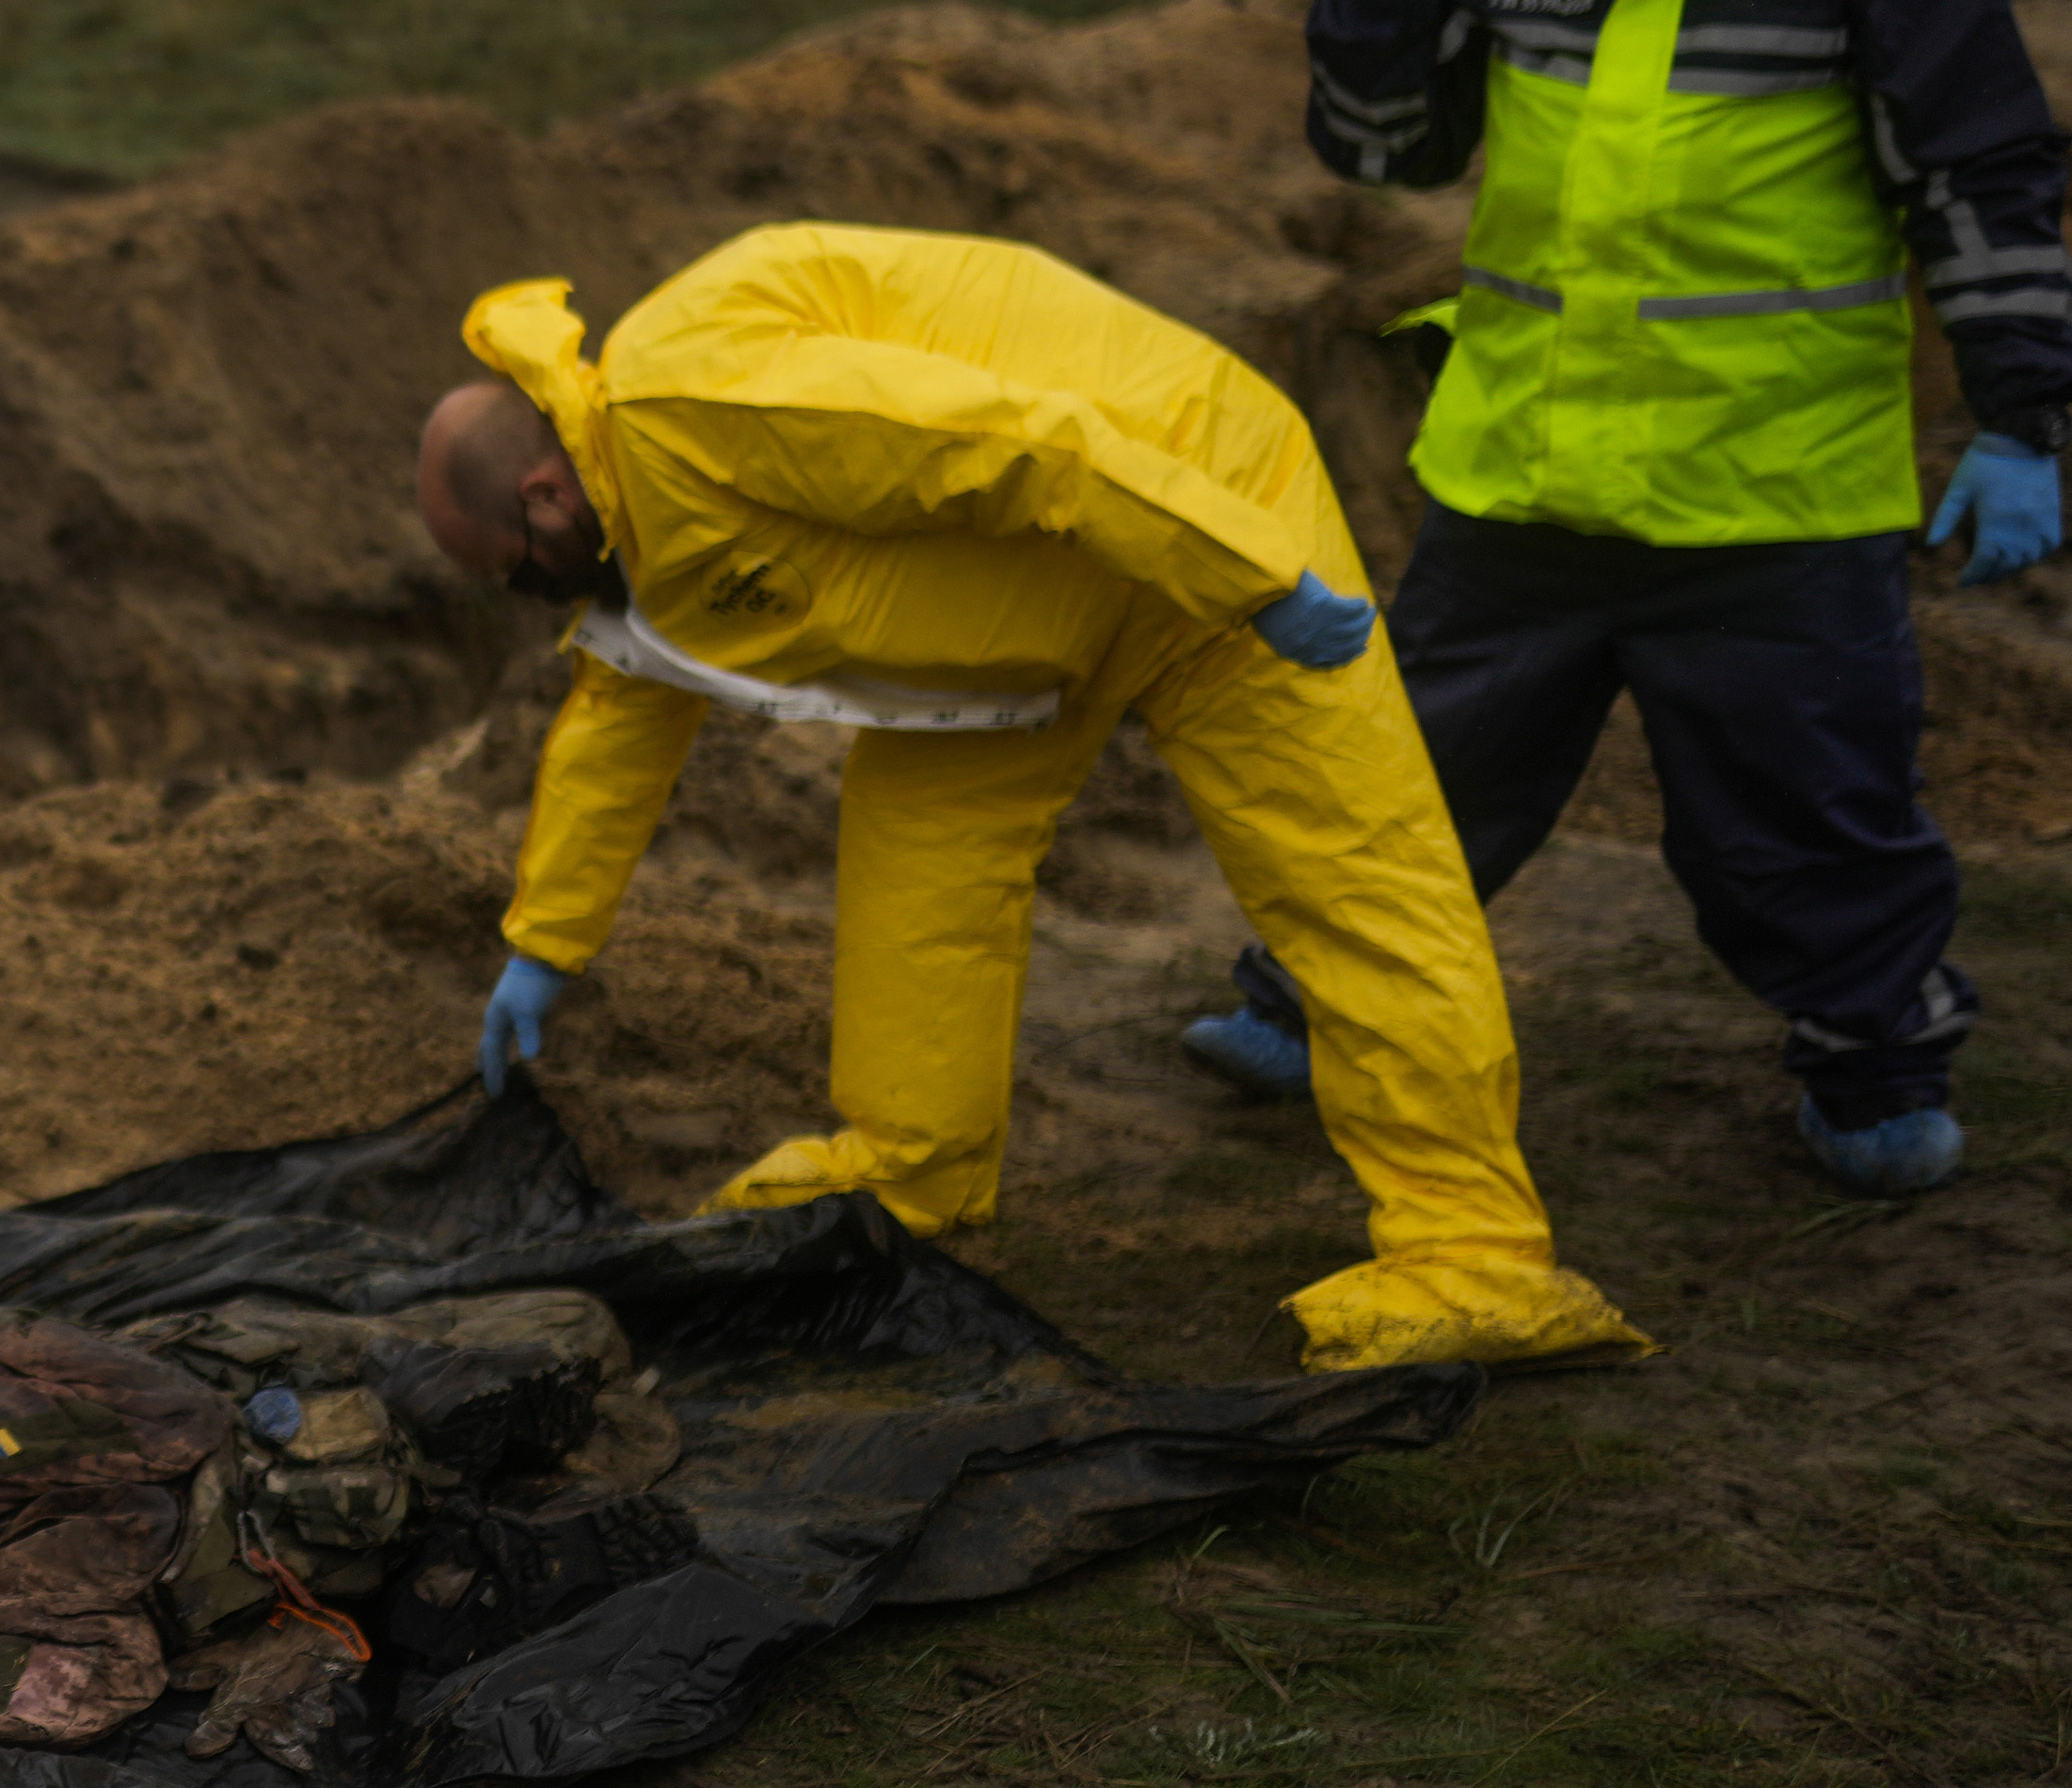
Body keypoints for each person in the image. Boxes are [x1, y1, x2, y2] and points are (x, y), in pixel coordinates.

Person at [419, 218, 1643, 1376]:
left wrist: (1252, 573)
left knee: (1356, 879)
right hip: (1019, 639)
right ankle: (912, 1169)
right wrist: (547, 944)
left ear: (542, 499)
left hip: (1194, 504)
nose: (525, 598)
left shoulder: (705, 401)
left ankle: (1475, 1254)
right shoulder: (630, 527)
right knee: (917, 858)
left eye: (511, 573)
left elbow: (1014, 444)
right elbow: (625, 710)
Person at [1226, 0, 2068, 1195]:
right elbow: (1385, 153)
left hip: (1773, 500)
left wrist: (2027, 420)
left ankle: (1876, 1074)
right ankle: (1301, 1004)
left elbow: (1983, 187)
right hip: (1519, 483)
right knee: (1408, 784)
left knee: (1810, 822)